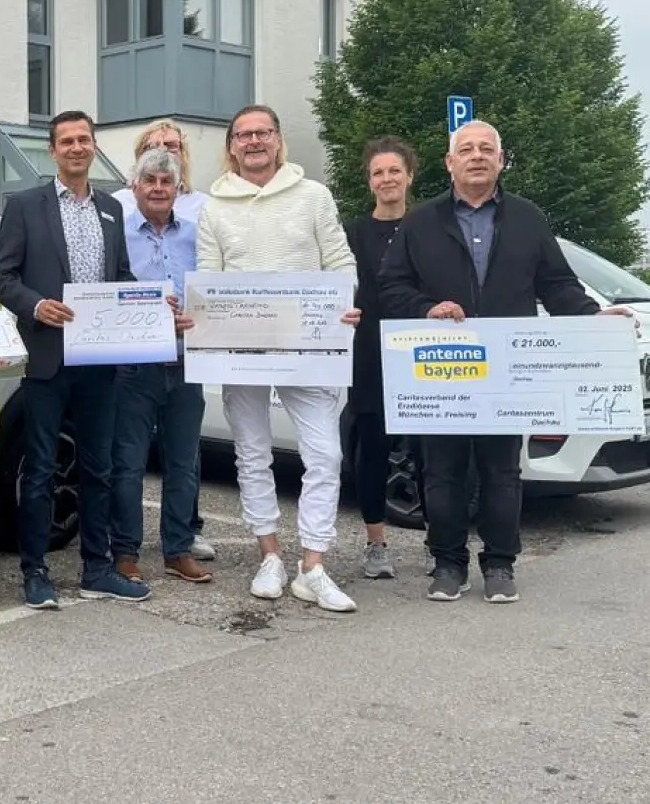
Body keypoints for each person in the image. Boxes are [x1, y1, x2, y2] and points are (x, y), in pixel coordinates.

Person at [377, 119, 631, 604]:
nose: (476, 156)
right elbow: (391, 287)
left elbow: (557, 285)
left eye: (486, 149)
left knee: (502, 472)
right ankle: (448, 563)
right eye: (466, 149)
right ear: (449, 163)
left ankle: (499, 563)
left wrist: (594, 318)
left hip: (508, 370)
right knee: (442, 472)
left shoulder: (527, 218)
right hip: (441, 369)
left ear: (501, 160)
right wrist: (426, 309)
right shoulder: (421, 222)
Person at [197, 104, 362, 613]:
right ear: (231, 146)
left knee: (325, 455)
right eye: (243, 135)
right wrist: (202, 316)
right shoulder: (214, 207)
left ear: (277, 139)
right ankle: (268, 555)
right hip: (241, 351)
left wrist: (345, 303)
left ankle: (313, 565)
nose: (253, 142)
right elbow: (209, 277)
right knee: (252, 452)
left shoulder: (314, 196)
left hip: (308, 348)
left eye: (262, 133)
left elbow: (340, 261)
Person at [0, 109, 148, 609]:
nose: (77, 148)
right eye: (67, 141)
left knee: (98, 469)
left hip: (99, 360)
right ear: (53, 151)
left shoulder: (111, 208)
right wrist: (36, 305)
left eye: (84, 140)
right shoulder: (25, 206)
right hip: (47, 358)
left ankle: (97, 568)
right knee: (39, 470)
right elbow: (2, 277)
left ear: (93, 146)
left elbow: (121, 276)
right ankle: (35, 571)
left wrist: (148, 302)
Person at [112, 118, 215, 563]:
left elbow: (214, 289)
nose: (158, 188)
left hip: (187, 362)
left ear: (177, 187)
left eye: (166, 181)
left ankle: (178, 548)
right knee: (128, 464)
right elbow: (108, 294)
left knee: (183, 464)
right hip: (134, 367)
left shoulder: (198, 234)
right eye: (150, 181)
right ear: (135, 186)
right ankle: (125, 551)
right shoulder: (116, 234)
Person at [343, 136, 420, 581]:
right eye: (378, 172)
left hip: (422, 353)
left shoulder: (429, 228)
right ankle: (376, 543)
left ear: (409, 175)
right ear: (369, 180)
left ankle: (437, 541)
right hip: (369, 352)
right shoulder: (352, 233)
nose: (387, 179)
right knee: (371, 448)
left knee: (430, 450)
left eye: (394, 171)